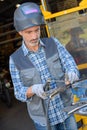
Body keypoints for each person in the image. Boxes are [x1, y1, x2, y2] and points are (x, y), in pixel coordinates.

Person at [9, 2, 79, 130]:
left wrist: (72, 72)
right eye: (29, 32)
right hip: (43, 121)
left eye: (37, 30)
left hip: (66, 111)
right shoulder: (15, 59)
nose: (34, 36)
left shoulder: (53, 43)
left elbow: (69, 62)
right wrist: (33, 89)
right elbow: (19, 92)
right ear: (20, 32)